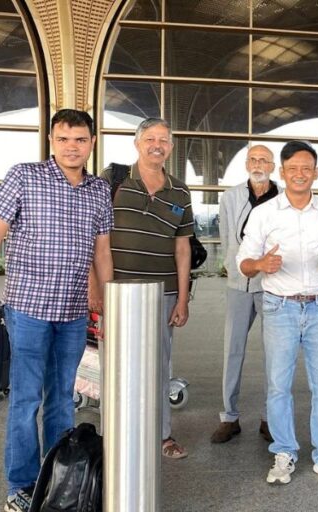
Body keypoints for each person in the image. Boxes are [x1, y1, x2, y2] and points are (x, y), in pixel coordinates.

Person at [0, 109, 114, 512]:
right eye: (63, 139)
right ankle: (20, 487)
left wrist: (108, 308)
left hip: (73, 313)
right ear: (51, 140)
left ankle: (58, 480)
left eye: (79, 139)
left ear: (91, 143)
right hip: (28, 310)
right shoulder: (24, 176)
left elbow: (102, 253)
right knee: (26, 400)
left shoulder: (99, 190)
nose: (71, 147)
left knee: (62, 398)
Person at [237, 140, 318, 484]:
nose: (300, 174)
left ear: (316, 173)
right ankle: (284, 452)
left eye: (307, 168)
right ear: (282, 172)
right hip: (279, 307)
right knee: (278, 385)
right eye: (293, 168)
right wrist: (260, 263)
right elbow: (243, 263)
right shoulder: (264, 213)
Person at [98, 117, 194, 460]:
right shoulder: (113, 180)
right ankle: (112, 437)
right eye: (150, 138)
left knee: (160, 367)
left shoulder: (180, 191)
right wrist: (101, 294)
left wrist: (183, 298)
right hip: (119, 292)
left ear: (170, 147)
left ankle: (163, 435)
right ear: (137, 143)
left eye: (164, 140)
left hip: (163, 293)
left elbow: (183, 249)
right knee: (114, 367)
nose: (157, 145)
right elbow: (99, 241)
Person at [210, 145, 280, 444]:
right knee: (233, 348)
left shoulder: (283, 197)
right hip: (240, 283)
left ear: (273, 166)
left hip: (273, 285)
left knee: (275, 353)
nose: (258, 164)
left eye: (264, 160)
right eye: (253, 159)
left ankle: (269, 418)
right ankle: (229, 417)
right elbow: (228, 236)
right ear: (247, 164)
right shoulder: (231, 196)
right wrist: (233, 267)